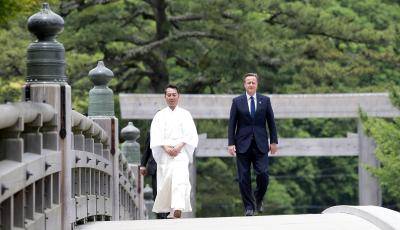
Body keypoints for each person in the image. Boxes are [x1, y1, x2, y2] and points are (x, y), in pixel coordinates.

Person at [228, 73, 278, 216]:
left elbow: (271, 122)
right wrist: (231, 143)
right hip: (242, 144)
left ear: (257, 85)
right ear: (244, 85)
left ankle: (258, 197)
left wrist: (274, 141)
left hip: (261, 143)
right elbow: (232, 124)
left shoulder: (265, 100)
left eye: (253, 82)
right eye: (248, 82)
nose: (251, 85)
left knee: (263, 174)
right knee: (243, 177)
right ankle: (249, 207)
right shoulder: (237, 101)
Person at [150, 84, 198, 218]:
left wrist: (179, 146)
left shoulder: (185, 114)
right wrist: (165, 147)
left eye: (174, 95)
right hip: (165, 152)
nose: (171, 97)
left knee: (180, 178)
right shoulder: (159, 115)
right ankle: (171, 209)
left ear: (178, 96)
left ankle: (177, 208)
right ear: (165, 97)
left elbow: (191, 135)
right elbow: (156, 135)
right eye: (169, 95)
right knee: (167, 180)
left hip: (180, 151)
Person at [140, 130, 169, 219]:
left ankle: (165, 213)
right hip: (156, 166)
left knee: (168, 191)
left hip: (170, 165)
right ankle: (161, 216)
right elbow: (147, 149)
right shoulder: (153, 130)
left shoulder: (174, 129)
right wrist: (143, 165)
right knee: (157, 191)